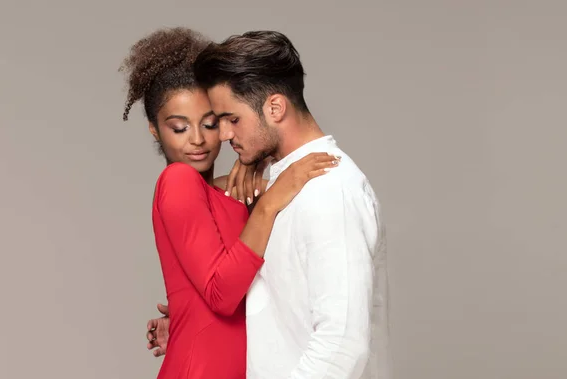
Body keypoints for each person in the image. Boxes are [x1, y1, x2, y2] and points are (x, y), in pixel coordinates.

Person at [147, 31, 392, 378]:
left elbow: (341, 347)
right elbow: (259, 291)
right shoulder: (276, 188)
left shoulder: (327, 189)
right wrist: (190, 314)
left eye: (229, 120)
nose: (223, 135)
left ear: (275, 108)